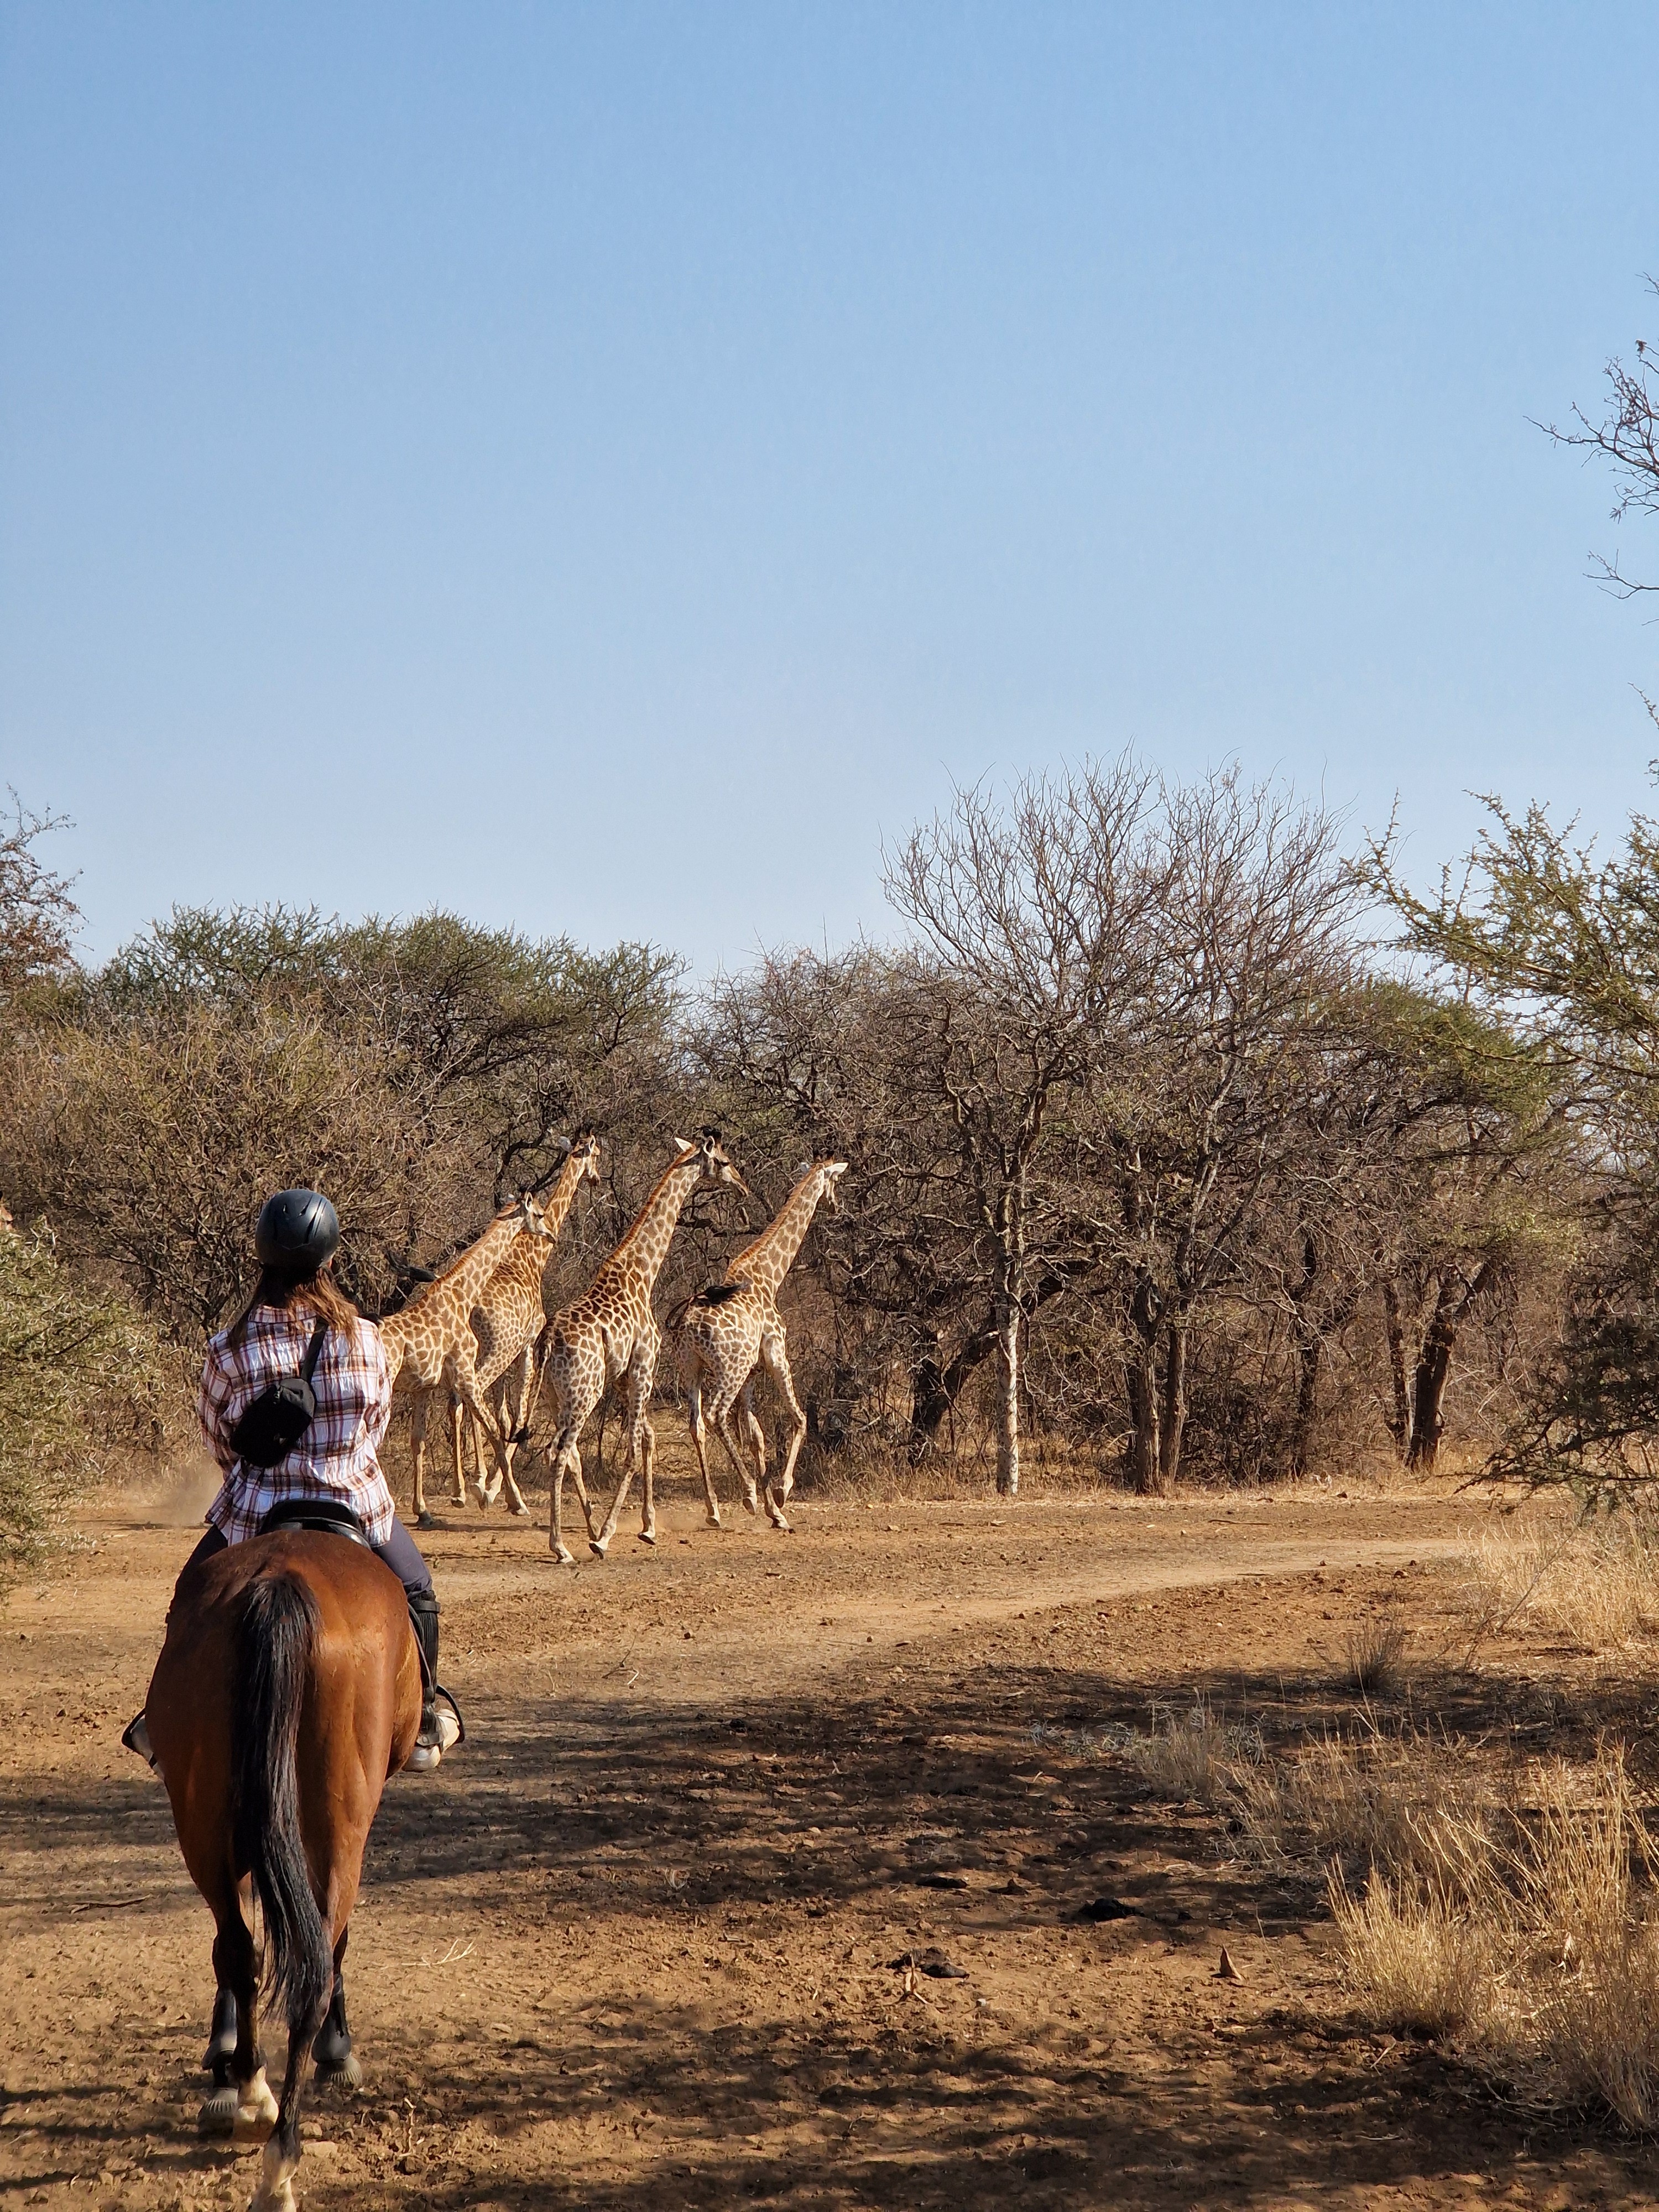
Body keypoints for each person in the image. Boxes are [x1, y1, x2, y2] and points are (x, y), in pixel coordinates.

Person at [124, 1188, 462, 1776]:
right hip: (355, 1506)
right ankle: (428, 1714)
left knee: (190, 1596)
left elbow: (219, 1439)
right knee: (417, 1592)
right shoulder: (366, 1338)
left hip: (257, 1514)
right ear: (330, 1261)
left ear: (262, 1259)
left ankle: (160, 1721)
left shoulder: (228, 1348)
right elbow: (374, 1426)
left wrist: (264, 1472)